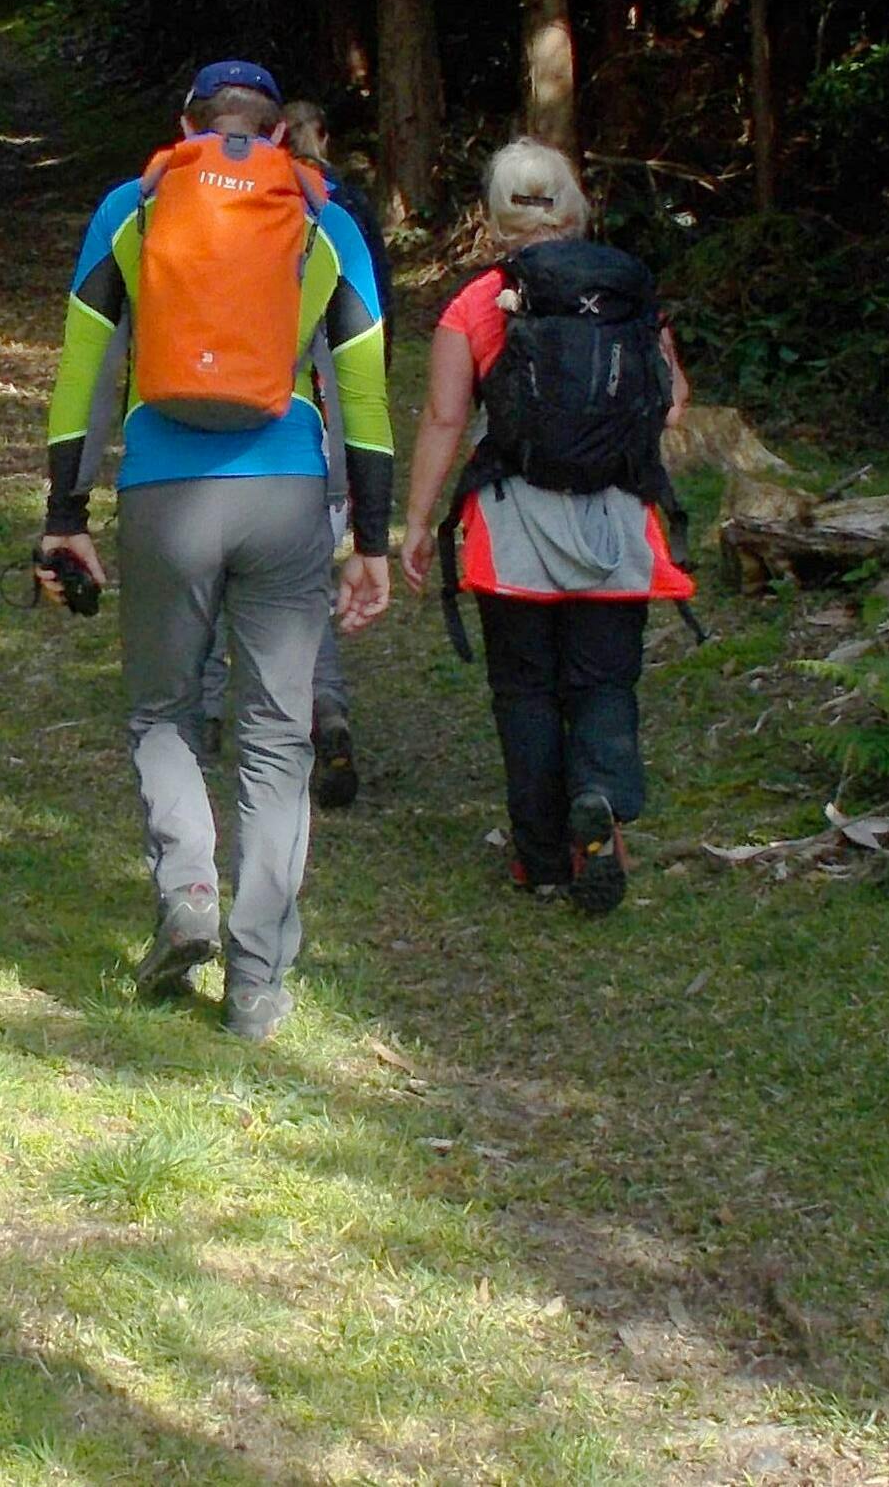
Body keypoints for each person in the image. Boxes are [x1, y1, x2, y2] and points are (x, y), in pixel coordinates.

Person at [36, 60, 395, 1041]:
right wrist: (371, 537)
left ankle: (187, 883)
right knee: (278, 742)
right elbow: (361, 392)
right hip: (285, 493)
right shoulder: (321, 215)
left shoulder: (134, 204)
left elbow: (82, 372)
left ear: (182, 124)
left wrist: (63, 511)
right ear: (280, 135)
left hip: (163, 488)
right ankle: (255, 982)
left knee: (160, 709)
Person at [396, 140, 692, 915]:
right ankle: (597, 795)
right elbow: (675, 397)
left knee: (524, 689)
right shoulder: (627, 293)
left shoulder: (477, 303)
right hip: (617, 518)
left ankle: (540, 858)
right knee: (603, 680)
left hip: (513, 523)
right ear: (575, 205)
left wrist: (418, 521)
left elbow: (444, 416)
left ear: (495, 222)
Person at [196, 98, 383, 807]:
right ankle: (324, 707)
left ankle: (207, 707)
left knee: (209, 571)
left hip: (207, 416)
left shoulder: (196, 204)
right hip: (310, 418)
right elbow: (370, 319)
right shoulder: (338, 211)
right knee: (302, 590)